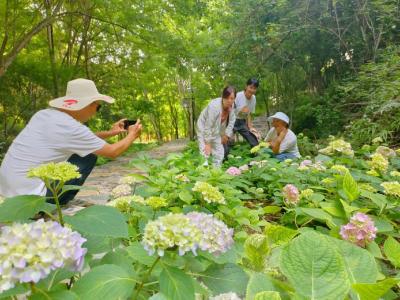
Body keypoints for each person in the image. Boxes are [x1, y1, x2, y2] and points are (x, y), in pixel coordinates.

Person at [0, 78, 142, 204]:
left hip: (9, 191)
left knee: (84, 151)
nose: (95, 111)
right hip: (31, 199)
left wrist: (111, 133)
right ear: (87, 104)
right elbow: (112, 152)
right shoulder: (70, 127)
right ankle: (57, 203)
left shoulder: (44, 115)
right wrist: (132, 135)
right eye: (98, 106)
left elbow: (81, 139)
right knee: (88, 155)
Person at [197, 86, 236, 167]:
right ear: (223, 97)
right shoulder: (214, 106)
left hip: (216, 130)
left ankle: (216, 172)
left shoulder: (232, 106)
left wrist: (227, 135)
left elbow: (232, 121)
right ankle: (203, 173)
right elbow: (208, 126)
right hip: (204, 127)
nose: (229, 101)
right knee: (205, 152)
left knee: (220, 152)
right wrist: (207, 143)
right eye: (227, 98)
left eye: (232, 98)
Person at [233, 78, 260, 147]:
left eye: (254, 88)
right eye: (250, 87)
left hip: (242, 122)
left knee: (254, 141)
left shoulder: (254, 98)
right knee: (228, 143)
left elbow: (249, 113)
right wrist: (241, 110)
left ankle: (257, 157)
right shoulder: (238, 95)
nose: (252, 90)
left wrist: (250, 127)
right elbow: (230, 109)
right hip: (232, 120)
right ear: (246, 86)